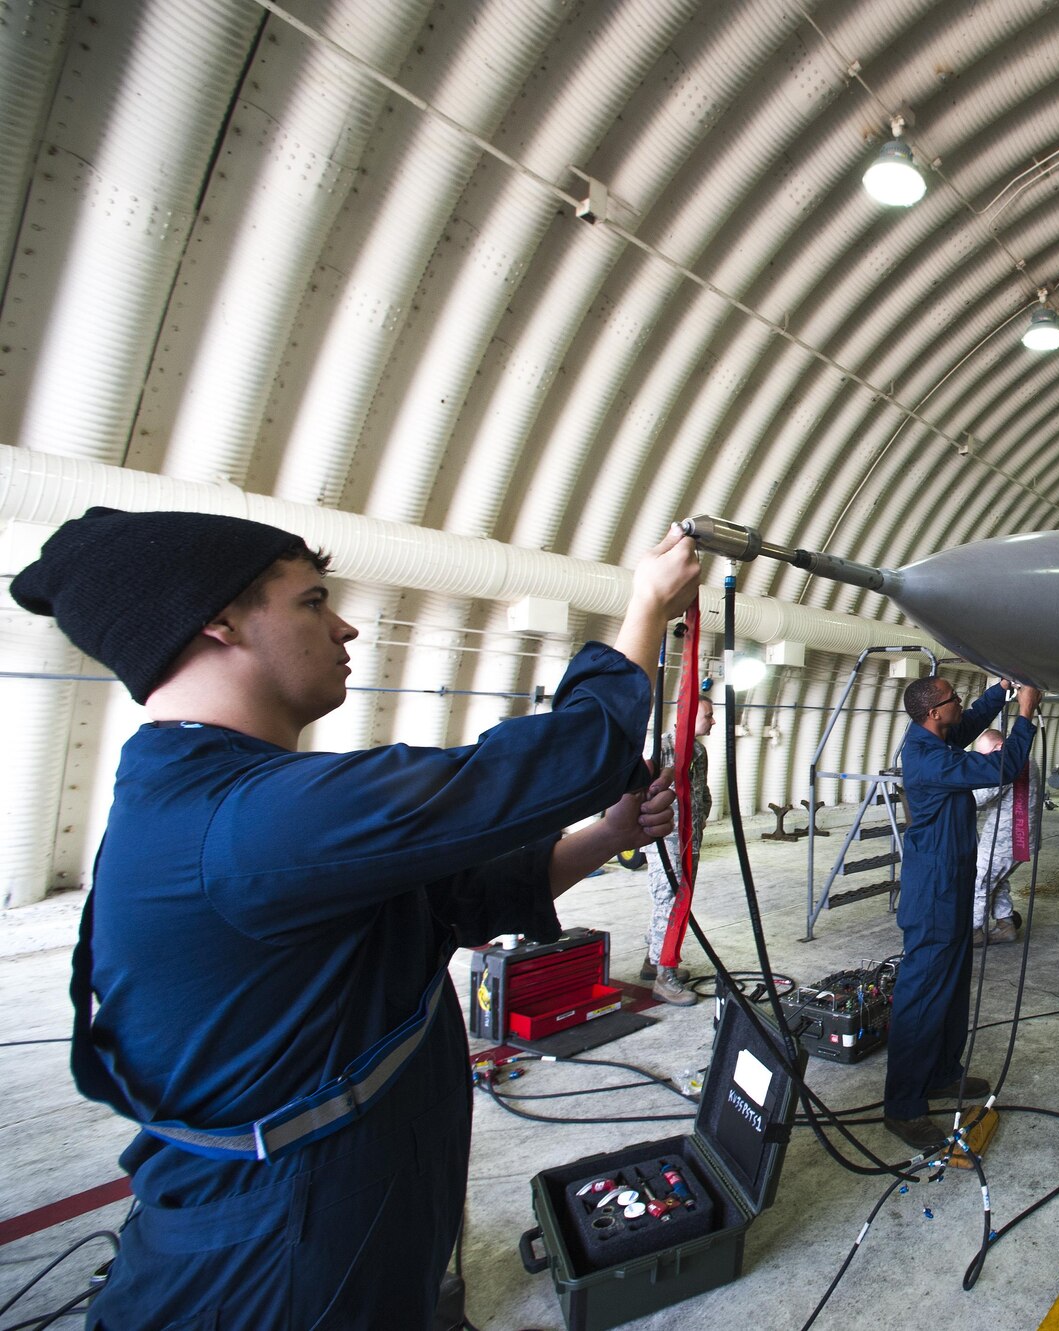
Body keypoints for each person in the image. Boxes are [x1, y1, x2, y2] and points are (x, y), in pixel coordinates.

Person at [11, 506, 699, 1330]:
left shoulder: (215, 794)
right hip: (281, 1261)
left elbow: (446, 901)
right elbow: (571, 757)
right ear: (218, 621)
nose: (343, 626)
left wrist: (608, 836)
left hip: (325, 1213)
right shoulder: (250, 820)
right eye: (310, 602)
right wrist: (646, 607)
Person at [883, 675, 1038, 1151]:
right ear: (934, 712)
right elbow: (1005, 765)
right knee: (923, 997)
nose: (959, 704)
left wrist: (999, 692)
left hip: (952, 884)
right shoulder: (929, 758)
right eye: (953, 698)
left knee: (951, 987)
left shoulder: (935, 735)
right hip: (932, 894)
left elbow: (968, 722)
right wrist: (1026, 713)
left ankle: (942, 1075)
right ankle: (904, 1106)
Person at [641, 688, 713, 1005]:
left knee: (676, 903)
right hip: (665, 842)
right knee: (670, 904)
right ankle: (664, 975)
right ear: (687, 716)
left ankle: (652, 961)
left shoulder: (697, 752)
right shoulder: (661, 749)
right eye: (707, 715)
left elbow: (703, 793)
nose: (712, 721)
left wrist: (701, 821)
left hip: (690, 840)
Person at [969, 728, 1042, 945]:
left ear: (999, 748)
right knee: (997, 879)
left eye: (987, 755)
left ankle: (973, 931)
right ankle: (1005, 925)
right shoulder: (1025, 757)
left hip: (1006, 839)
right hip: (1021, 838)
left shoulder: (1007, 762)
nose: (986, 761)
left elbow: (980, 797)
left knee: (979, 880)